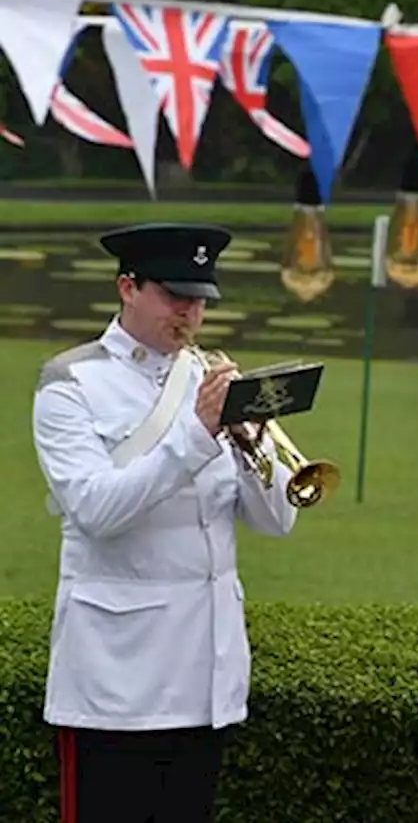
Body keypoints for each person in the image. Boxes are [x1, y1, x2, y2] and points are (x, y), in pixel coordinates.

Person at [31, 223, 300, 823]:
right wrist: (198, 434)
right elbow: (98, 510)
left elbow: (278, 520)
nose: (190, 312)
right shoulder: (71, 384)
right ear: (128, 287)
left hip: (206, 677)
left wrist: (253, 448)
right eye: (175, 296)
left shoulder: (210, 378)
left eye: (200, 299)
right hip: (116, 682)